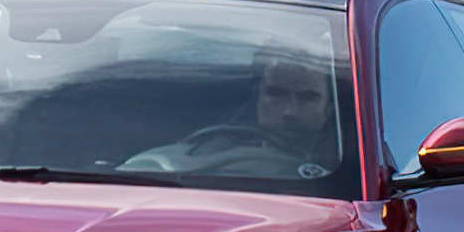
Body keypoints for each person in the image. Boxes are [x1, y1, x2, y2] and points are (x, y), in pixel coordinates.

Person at [123, 48, 336, 178]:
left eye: (308, 97)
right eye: (276, 94)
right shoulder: (197, 157)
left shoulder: (355, 173)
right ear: (257, 100)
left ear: (329, 108)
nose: (290, 112)